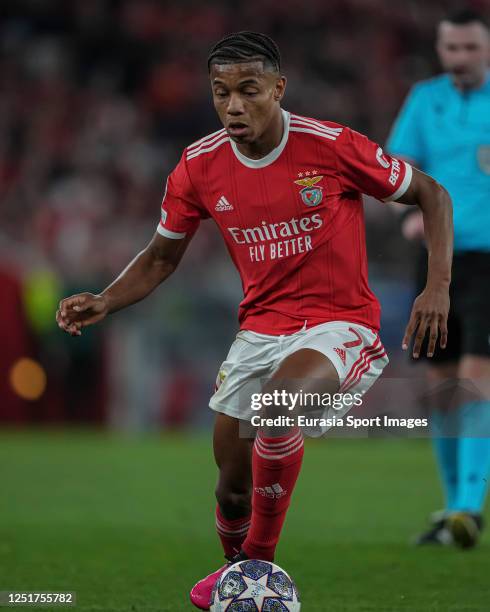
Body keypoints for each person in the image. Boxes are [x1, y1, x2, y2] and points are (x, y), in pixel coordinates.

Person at [57, 32, 452, 610]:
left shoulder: (330, 145)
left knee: (280, 406)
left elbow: (432, 194)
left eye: (248, 90)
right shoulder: (198, 165)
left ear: (277, 88)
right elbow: (163, 255)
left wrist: (435, 287)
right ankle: (236, 575)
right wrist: (107, 300)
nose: (234, 105)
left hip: (340, 323)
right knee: (233, 489)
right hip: (259, 332)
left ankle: (259, 572)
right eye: (221, 93)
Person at [387, 9, 490, 549]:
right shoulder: (426, 99)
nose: (460, 59)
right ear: (440, 49)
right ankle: (453, 508)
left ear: (487, 48)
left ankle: (470, 507)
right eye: (452, 49)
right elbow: (397, 167)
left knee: (477, 379)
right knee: (442, 388)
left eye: (470, 48)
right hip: (435, 261)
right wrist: (406, 208)